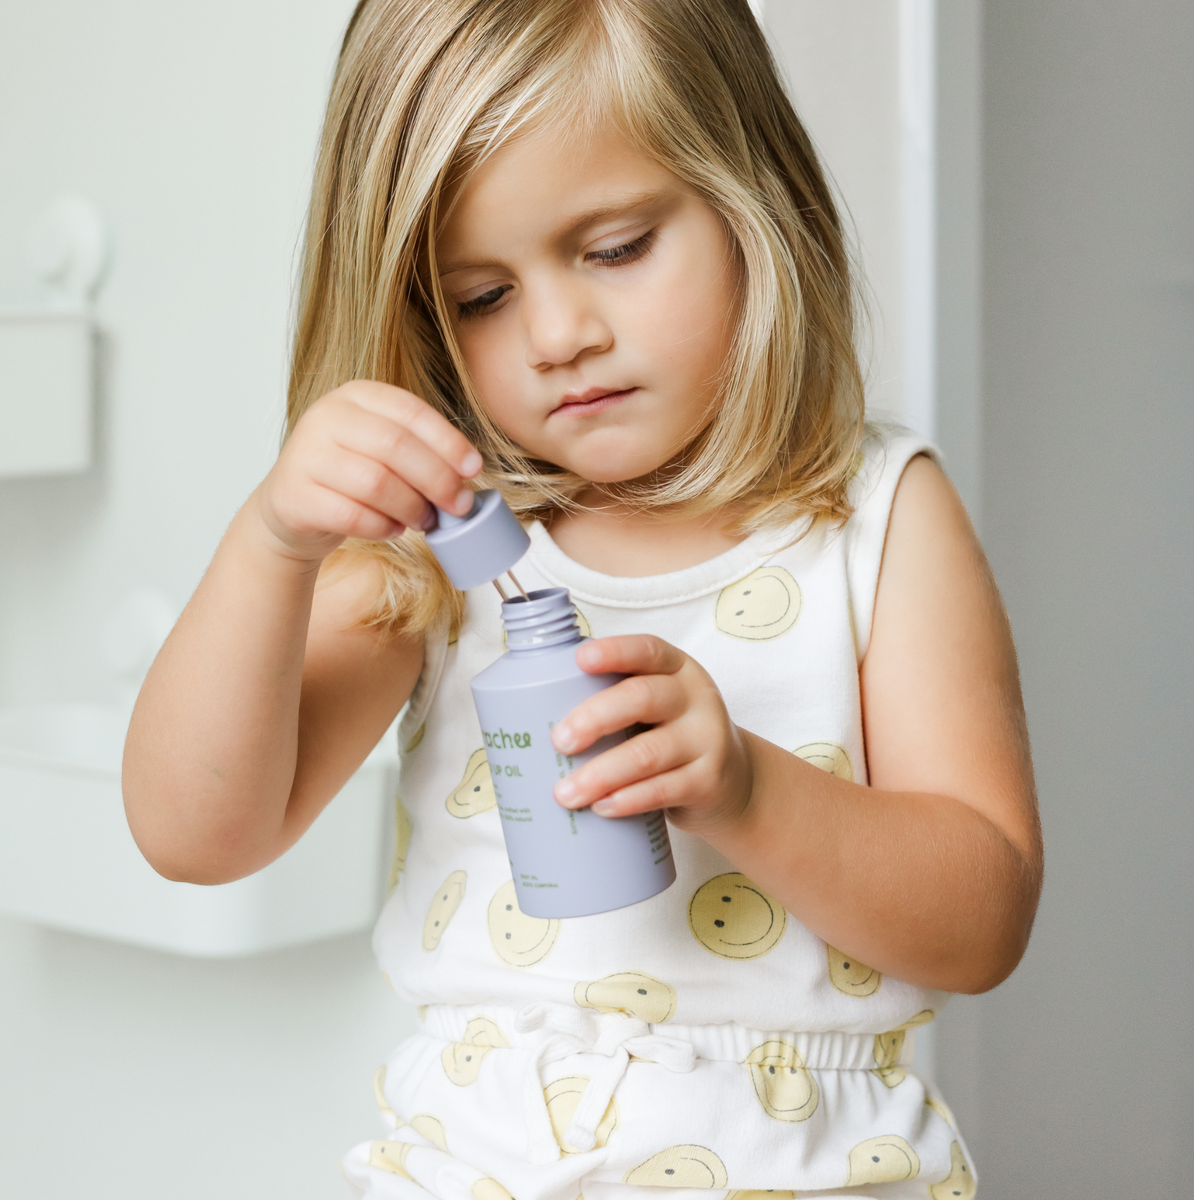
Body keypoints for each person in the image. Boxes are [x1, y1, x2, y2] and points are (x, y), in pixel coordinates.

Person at [122, 2, 1041, 1196]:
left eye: (614, 248)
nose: (558, 334)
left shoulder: (869, 517)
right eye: (480, 297)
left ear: (754, 201)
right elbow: (197, 836)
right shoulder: (443, 545)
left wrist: (748, 788)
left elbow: (981, 926)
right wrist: (272, 543)